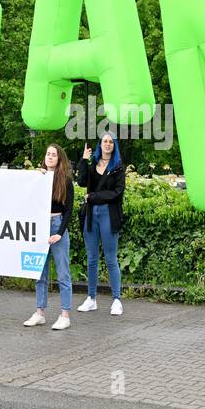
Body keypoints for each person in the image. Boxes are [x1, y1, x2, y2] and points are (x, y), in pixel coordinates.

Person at [23, 143, 74, 331]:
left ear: (59, 158)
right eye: (47, 154)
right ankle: (40, 312)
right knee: (40, 273)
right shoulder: (40, 178)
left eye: (53, 154)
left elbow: (68, 210)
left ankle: (65, 314)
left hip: (57, 223)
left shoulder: (65, 180)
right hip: (40, 226)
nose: (50, 157)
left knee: (63, 273)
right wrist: (36, 179)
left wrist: (59, 233)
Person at [75, 132, 124, 316]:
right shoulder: (93, 162)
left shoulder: (118, 167)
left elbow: (117, 193)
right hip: (91, 215)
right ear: (100, 144)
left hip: (108, 214)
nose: (108, 144)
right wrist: (83, 160)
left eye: (111, 142)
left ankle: (117, 300)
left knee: (111, 258)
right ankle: (91, 298)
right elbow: (81, 182)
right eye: (105, 141)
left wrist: (94, 196)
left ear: (114, 145)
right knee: (92, 258)